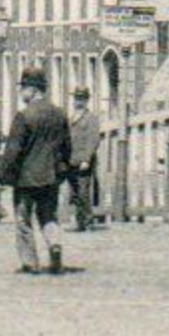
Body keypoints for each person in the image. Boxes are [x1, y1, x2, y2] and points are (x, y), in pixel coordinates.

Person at [0, 67, 70, 275]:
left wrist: (3, 175)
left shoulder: (24, 116)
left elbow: (13, 150)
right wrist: (62, 170)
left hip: (26, 178)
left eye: (23, 88)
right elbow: (67, 146)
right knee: (49, 216)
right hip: (51, 177)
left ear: (32, 89)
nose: (21, 94)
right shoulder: (59, 114)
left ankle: (30, 263)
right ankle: (55, 245)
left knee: (23, 220)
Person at [64, 87, 100, 232]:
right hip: (71, 160)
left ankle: (88, 221)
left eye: (82, 99)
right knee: (74, 192)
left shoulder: (91, 118)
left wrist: (87, 159)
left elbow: (93, 139)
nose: (78, 101)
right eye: (77, 98)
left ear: (87, 100)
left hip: (83, 161)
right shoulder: (71, 117)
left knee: (83, 191)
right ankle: (80, 221)